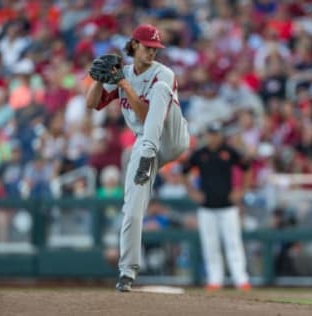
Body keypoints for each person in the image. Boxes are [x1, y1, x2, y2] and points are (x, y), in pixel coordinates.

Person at [85, 24, 190, 292]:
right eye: (147, 47)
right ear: (134, 45)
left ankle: (147, 153)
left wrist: (122, 84)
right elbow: (91, 104)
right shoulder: (124, 74)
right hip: (144, 145)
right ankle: (127, 273)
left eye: (156, 48)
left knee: (161, 91)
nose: (152, 52)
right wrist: (98, 79)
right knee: (131, 208)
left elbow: (145, 116)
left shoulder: (163, 73)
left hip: (172, 136)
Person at [182, 121, 251, 291]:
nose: (214, 138)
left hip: (228, 206)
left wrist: (242, 191)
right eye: (211, 134)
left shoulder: (229, 151)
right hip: (207, 207)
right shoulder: (199, 154)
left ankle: (240, 279)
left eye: (216, 134)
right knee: (210, 244)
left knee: (233, 243)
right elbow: (184, 173)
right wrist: (192, 192)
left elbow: (247, 167)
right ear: (207, 135)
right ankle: (215, 279)